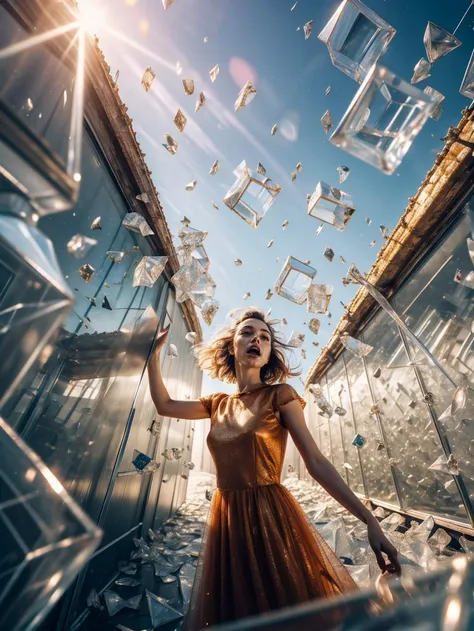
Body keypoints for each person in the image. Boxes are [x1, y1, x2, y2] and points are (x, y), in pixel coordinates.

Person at [148, 307, 400, 630]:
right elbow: (164, 405)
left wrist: (370, 521)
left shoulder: (280, 395)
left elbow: (316, 461)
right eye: (247, 333)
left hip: (270, 518)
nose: (257, 339)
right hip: (226, 523)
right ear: (231, 347)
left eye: (264, 337)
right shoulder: (216, 403)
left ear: (268, 355)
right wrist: (154, 355)